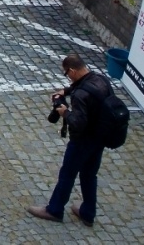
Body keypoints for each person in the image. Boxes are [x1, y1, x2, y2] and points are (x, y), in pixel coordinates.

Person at [29, 53, 115, 226]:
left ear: (73, 71)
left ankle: (54, 210)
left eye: (67, 73)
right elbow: (87, 88)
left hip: (82, 141)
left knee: (67, 174)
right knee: (89, 174)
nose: (68, 77)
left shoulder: (80, 96)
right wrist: (66, 91)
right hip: (99, 137)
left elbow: (77, 122)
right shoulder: (102, 80)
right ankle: (88, 212)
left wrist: (65, 112)